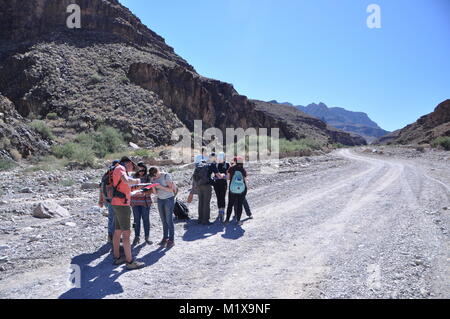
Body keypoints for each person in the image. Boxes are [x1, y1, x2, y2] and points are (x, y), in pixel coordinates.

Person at [111, 156, 145, 270]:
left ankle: (117, 257)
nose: (131, 169)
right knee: (126, 234)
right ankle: (130, 262)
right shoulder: (121, 168)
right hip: (123, 206)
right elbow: (126, 180)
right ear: (129, 163)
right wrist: (137, 181)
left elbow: (123, 187)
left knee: (117, 231)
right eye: (132, 167)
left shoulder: (116, 169)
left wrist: (134, 191)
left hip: (116, 203)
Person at [149, 167, 177, 248]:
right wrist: (153, 186)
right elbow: (155, 193)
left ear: (158, 171)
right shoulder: (153, 178)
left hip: (169, 199)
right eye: (153, 176)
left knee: (169, 219)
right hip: (160, 199)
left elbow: (172, 190)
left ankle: (171, 240)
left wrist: (160, 186)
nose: (155, 177)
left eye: (156, 175)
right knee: (163, 220)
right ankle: (165, 238)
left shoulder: (166, 176)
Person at [193, 153, 224, 225]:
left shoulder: (201, 163)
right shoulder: (212, 164)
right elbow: (219, 176)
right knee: (206, 203)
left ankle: (200, 219)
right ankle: (205, 220)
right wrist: (223, 175)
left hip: (199, 185)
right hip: (206, 185)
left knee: (201, 201)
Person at [131, 163, 154, 246]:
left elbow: (152, 189)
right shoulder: (133, 177)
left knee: (146, 220)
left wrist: (145, 193)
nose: (141, 172)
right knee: (136, 221)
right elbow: (129, 188)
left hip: (145, 202)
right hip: (134, 202)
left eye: (143, 170)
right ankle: (136, 236)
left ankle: (147, 237)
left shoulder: (148, 177)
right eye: (139, 170)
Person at [98, 160, 119, 243]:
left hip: (107, 199)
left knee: (111, 218)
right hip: (115, 199)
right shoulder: (116, 173)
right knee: (116, 218)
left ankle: (110, 236)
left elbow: (101, 188)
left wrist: (100, 200)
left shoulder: (105, 175)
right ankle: (114, 237)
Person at [225, 156, 248, 226]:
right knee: (239, 205)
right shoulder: (243, 170)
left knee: (230, 204)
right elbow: (245, 179)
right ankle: (238, 221)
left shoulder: (231, 168)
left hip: (232, 189)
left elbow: (228, 178)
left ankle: (227, 220)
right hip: (241, 190)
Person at [212, 152, 230, 222]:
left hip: (218, 183)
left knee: (219, 197)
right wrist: (223, 176)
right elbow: (228, 175)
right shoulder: (227, 164)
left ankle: (220, 211)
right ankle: (222, 211)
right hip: (222, 183)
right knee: (222, 197)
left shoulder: (215, 164)